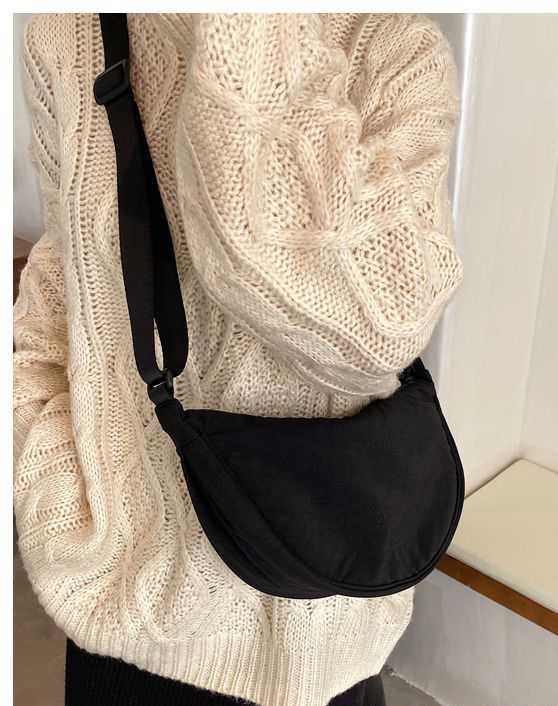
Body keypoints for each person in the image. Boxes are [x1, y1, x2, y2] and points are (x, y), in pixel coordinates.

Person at [13, 13, 462, 706]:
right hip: (135, 611)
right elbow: (64, 279)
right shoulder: (69, 31)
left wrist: (240, 31)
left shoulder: (394, 47)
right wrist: (49, 481)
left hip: (332, 616)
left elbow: (379, 331)